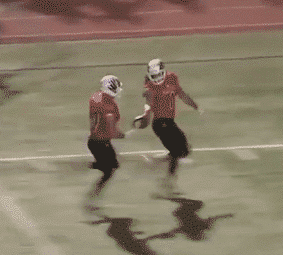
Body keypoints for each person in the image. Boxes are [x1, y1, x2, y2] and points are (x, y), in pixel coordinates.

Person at [133, 59, 201, 197]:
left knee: (185, 151)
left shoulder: (172, 77)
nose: (156, 78)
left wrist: (194, 105)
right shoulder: (150, 87)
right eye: (154, 76)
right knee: (177, 152)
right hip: (160, 124)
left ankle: (156, 161)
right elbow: (148, 103)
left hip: (170, 122)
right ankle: (169, 183)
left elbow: (180, 93)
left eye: (159, 75)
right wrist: (145, 114)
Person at [85, 75, 127, 215]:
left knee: (113, 164)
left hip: (93, 140)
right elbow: (112, 131)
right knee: (110, 170)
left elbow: (95, 119)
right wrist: (121, 134)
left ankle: (97, 164)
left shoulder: (95, 97)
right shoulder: (110, 107)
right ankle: (93, 198)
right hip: (100, 143)